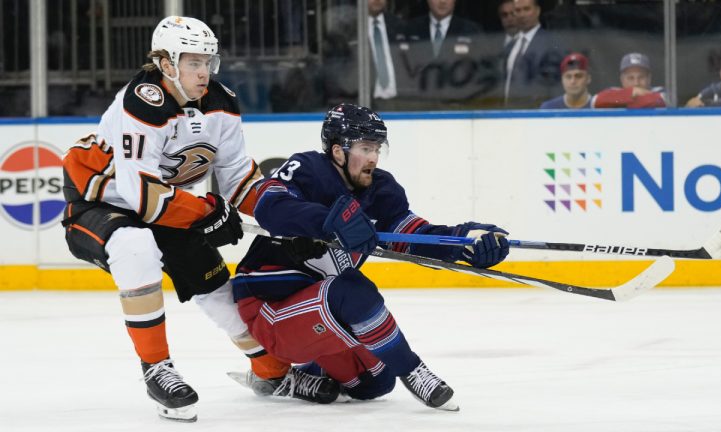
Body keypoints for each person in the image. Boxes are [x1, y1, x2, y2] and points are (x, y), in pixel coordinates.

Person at [60, 16, 294, 422]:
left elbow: (238, 176)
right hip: (99, 202)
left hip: (164, 203)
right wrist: (207, 212)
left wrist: (290, 218)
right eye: (193, 62)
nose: (204, 72)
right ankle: (157, 368)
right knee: (136, 247)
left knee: (217, 286)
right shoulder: (142, 101)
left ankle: (271, 372)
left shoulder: (222, 102)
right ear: (167, 64)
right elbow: (142, 195)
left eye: (208, 61)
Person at [229, 103, 510, 410]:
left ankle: (294, 378)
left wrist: (462, 244)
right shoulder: (307, 169)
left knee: (375, 381)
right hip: (269, 306)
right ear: (338, 151)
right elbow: (269, 206)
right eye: (365, 148)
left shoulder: (382, 190)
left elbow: (410, 236)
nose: (374, 158)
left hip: (323, 309)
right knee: (354, 290)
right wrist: (327, 220)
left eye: (377, 148)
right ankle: (415, 372)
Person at [502, 0, 563, 108]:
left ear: (537, 11)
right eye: (517, 10)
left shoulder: (550, 43)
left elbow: (554, 87)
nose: (522, 14)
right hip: (508, 116)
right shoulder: (510, 46)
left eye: (526, 9)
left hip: (535, 115)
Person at [593, 52, 666, 108]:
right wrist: (632, 93)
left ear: (649, 78)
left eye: (641, 77)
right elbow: (595, 100)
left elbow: (663, 100)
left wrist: (622, 99)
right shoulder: (613, 90)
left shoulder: (660, 91)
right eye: (631, 78)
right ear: (622, 79)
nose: (636, 83)